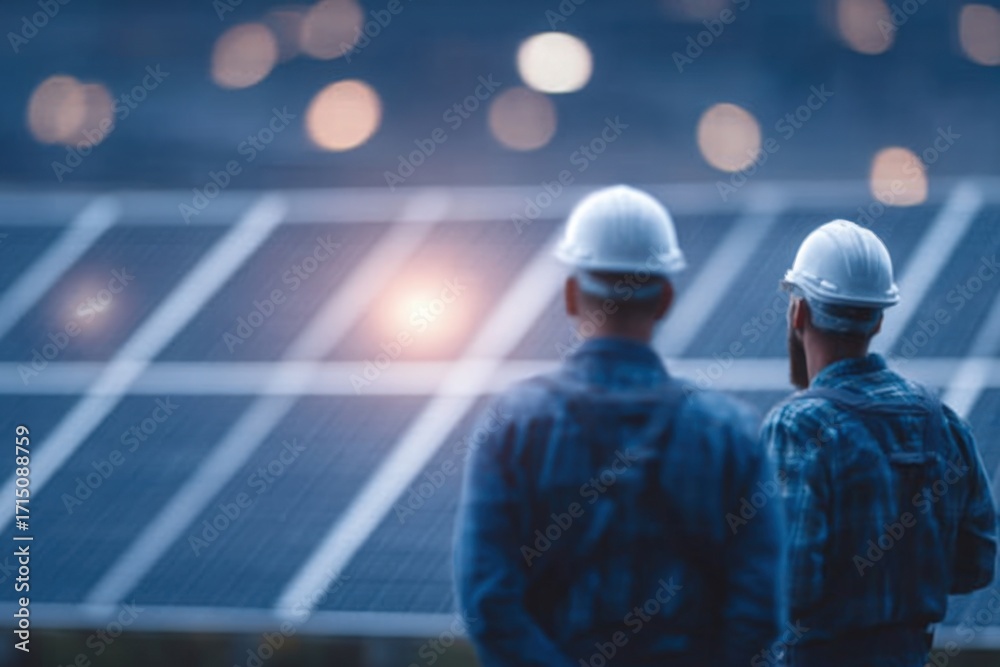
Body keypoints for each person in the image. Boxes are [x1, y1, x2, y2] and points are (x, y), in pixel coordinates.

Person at [455, 185, 785, 667]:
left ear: (571, 294)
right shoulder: (731, 433)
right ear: (666, 298)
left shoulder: (514, 426)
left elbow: (488, 603)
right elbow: (758, 610)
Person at [762, 219, 998, 666]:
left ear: (799, 313)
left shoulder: (797, 426)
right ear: (879, 318)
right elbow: (976, 564)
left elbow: (786, 586)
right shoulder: (941, 420)